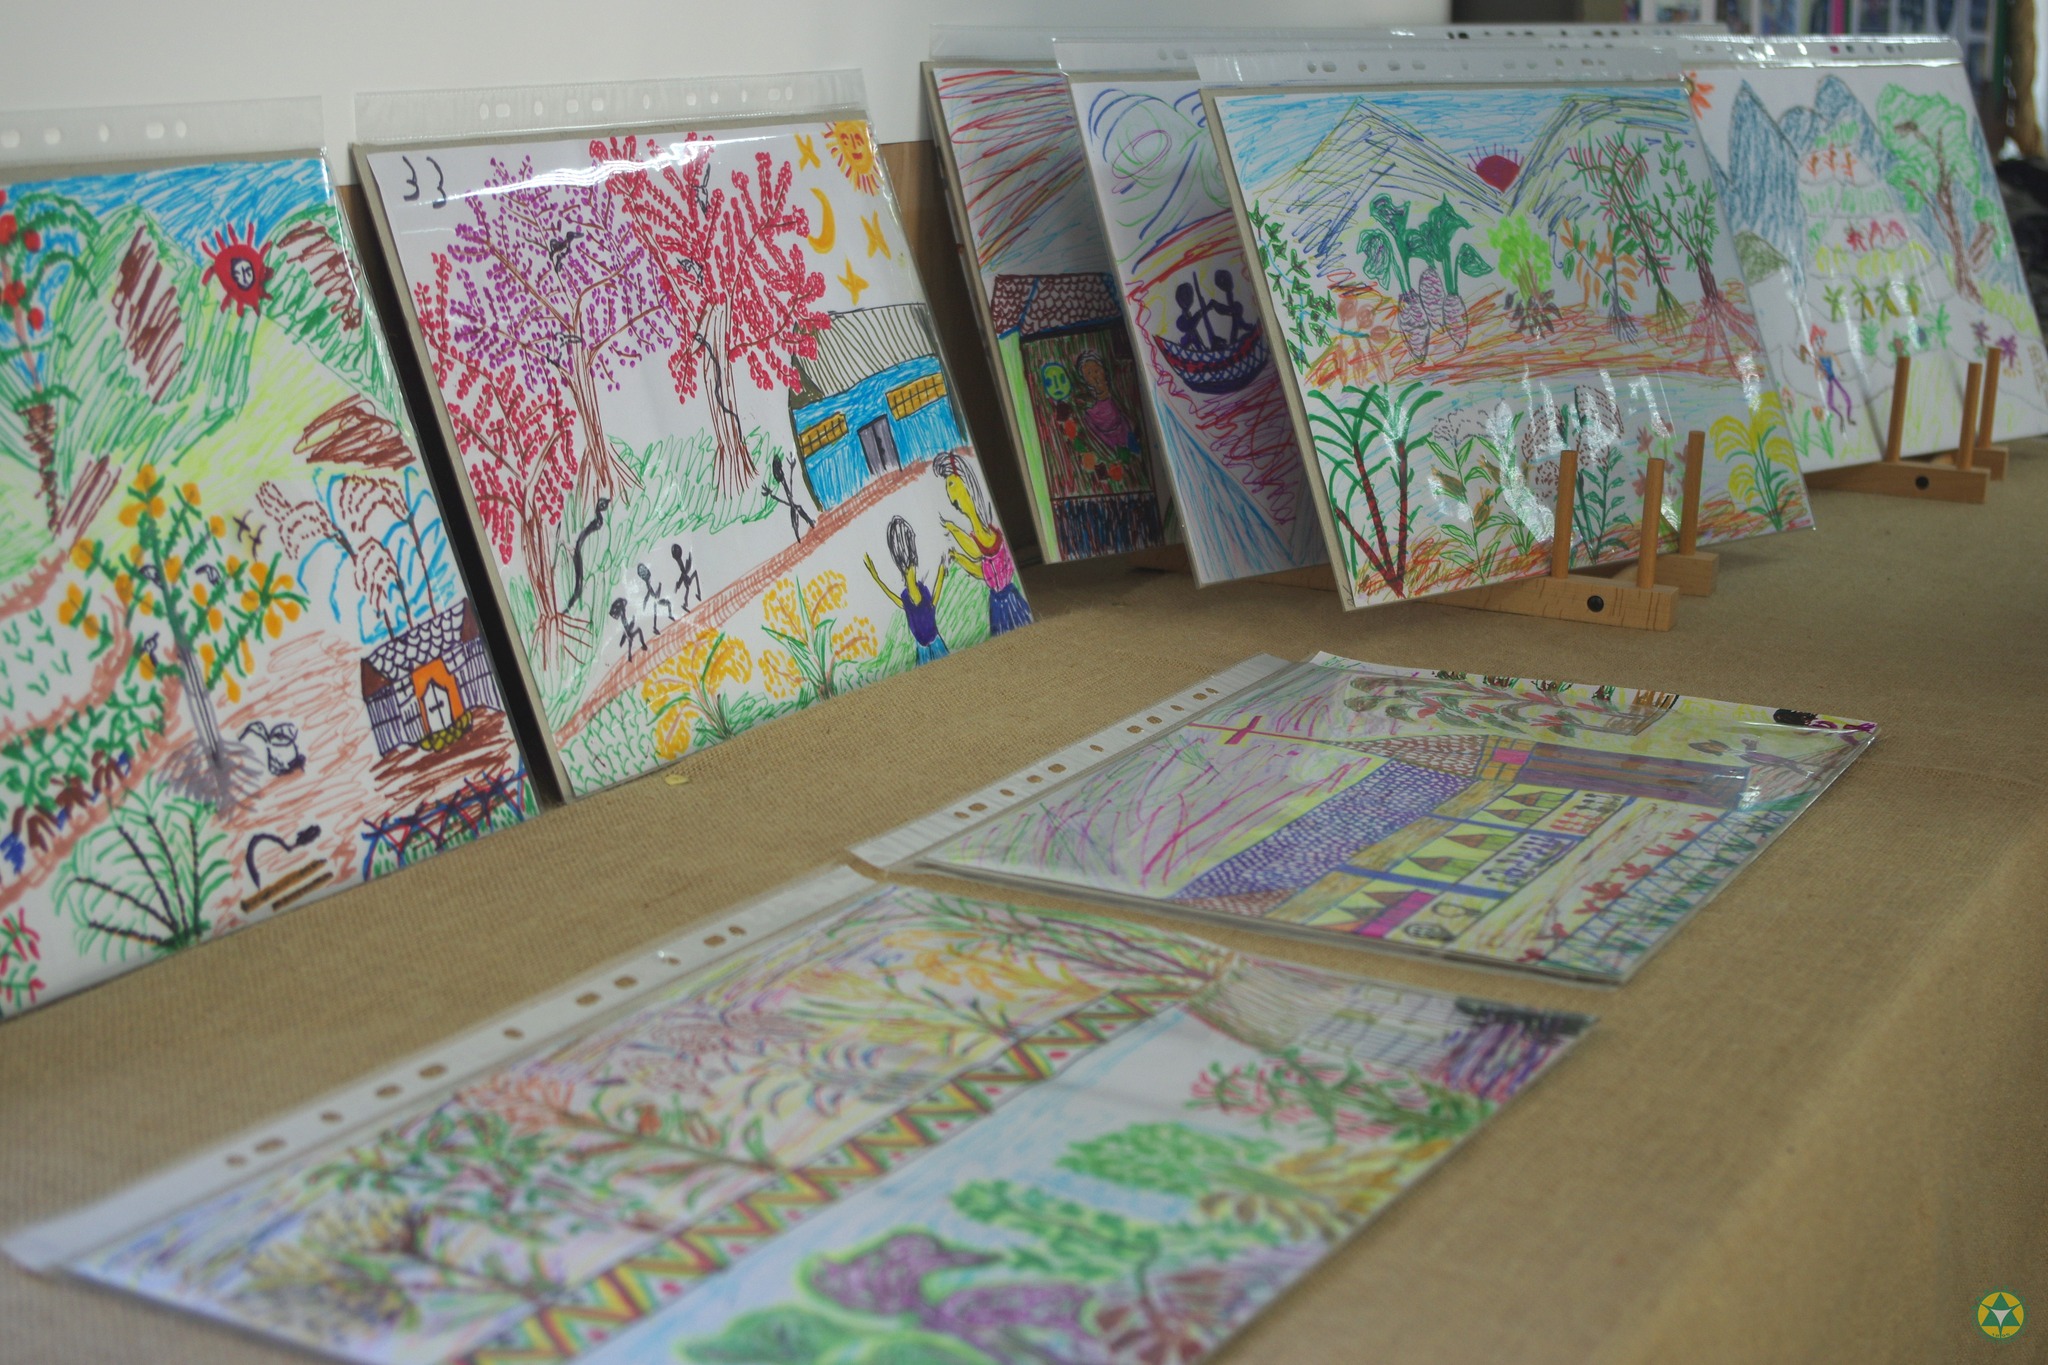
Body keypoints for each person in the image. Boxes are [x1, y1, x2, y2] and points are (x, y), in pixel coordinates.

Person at [935, 452, 1031, 636]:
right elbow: (979, 565)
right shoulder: (978, 530)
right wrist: (957, 553)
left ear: (965, 482)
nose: (950, 494)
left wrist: (953, 531)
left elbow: (976, 556)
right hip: (999, 600)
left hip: (1007, 598)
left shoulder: (985, 528)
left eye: (951, 484)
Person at [865, 515, 949, 665]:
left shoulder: (922, 591)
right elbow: (891, 594)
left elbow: (934, 601)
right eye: (909, 566)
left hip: (936, 644)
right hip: (922, 650)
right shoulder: (906, 599)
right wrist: (876, 577)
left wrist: (941, 573)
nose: (911, 569)